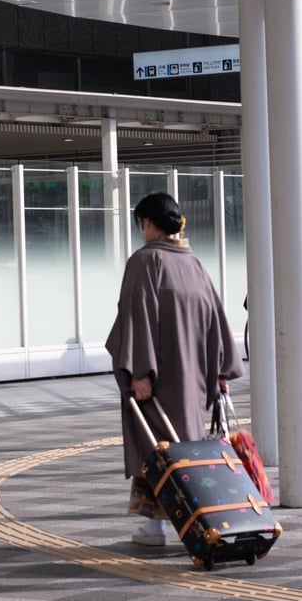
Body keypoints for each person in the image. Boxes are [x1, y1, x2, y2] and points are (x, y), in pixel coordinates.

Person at [105, 192, 244, 547]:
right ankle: (204, 518)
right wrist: (220, 373)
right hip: (196, 380)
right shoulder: (193, 262)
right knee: (190, 450)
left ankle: (158, 527)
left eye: (142, 222)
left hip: (159, 379)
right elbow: (215, 317)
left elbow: (136, 315)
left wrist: (139, 371)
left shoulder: (145, 261)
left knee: (156, 447)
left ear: (148, 223)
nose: (142, 229)